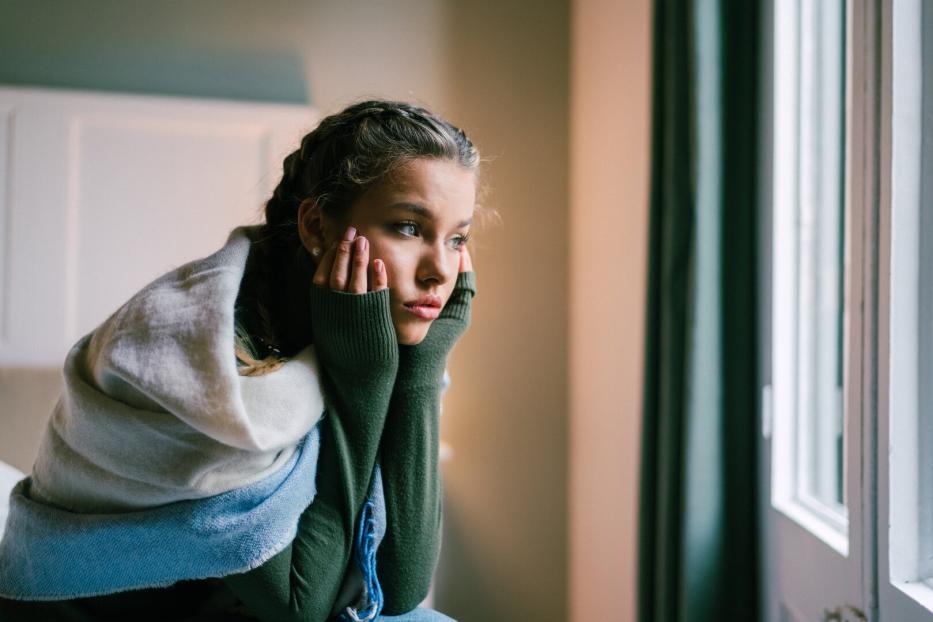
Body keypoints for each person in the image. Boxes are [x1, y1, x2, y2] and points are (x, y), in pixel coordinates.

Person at [0, 100, 481, 621]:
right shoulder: (199, 352)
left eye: (458, 239)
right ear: (317, 227)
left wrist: (424, 366)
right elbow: (300, 607)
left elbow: (400, 586)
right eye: (410, 227)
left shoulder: (362, 336)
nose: (441, 270)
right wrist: (362, 384)